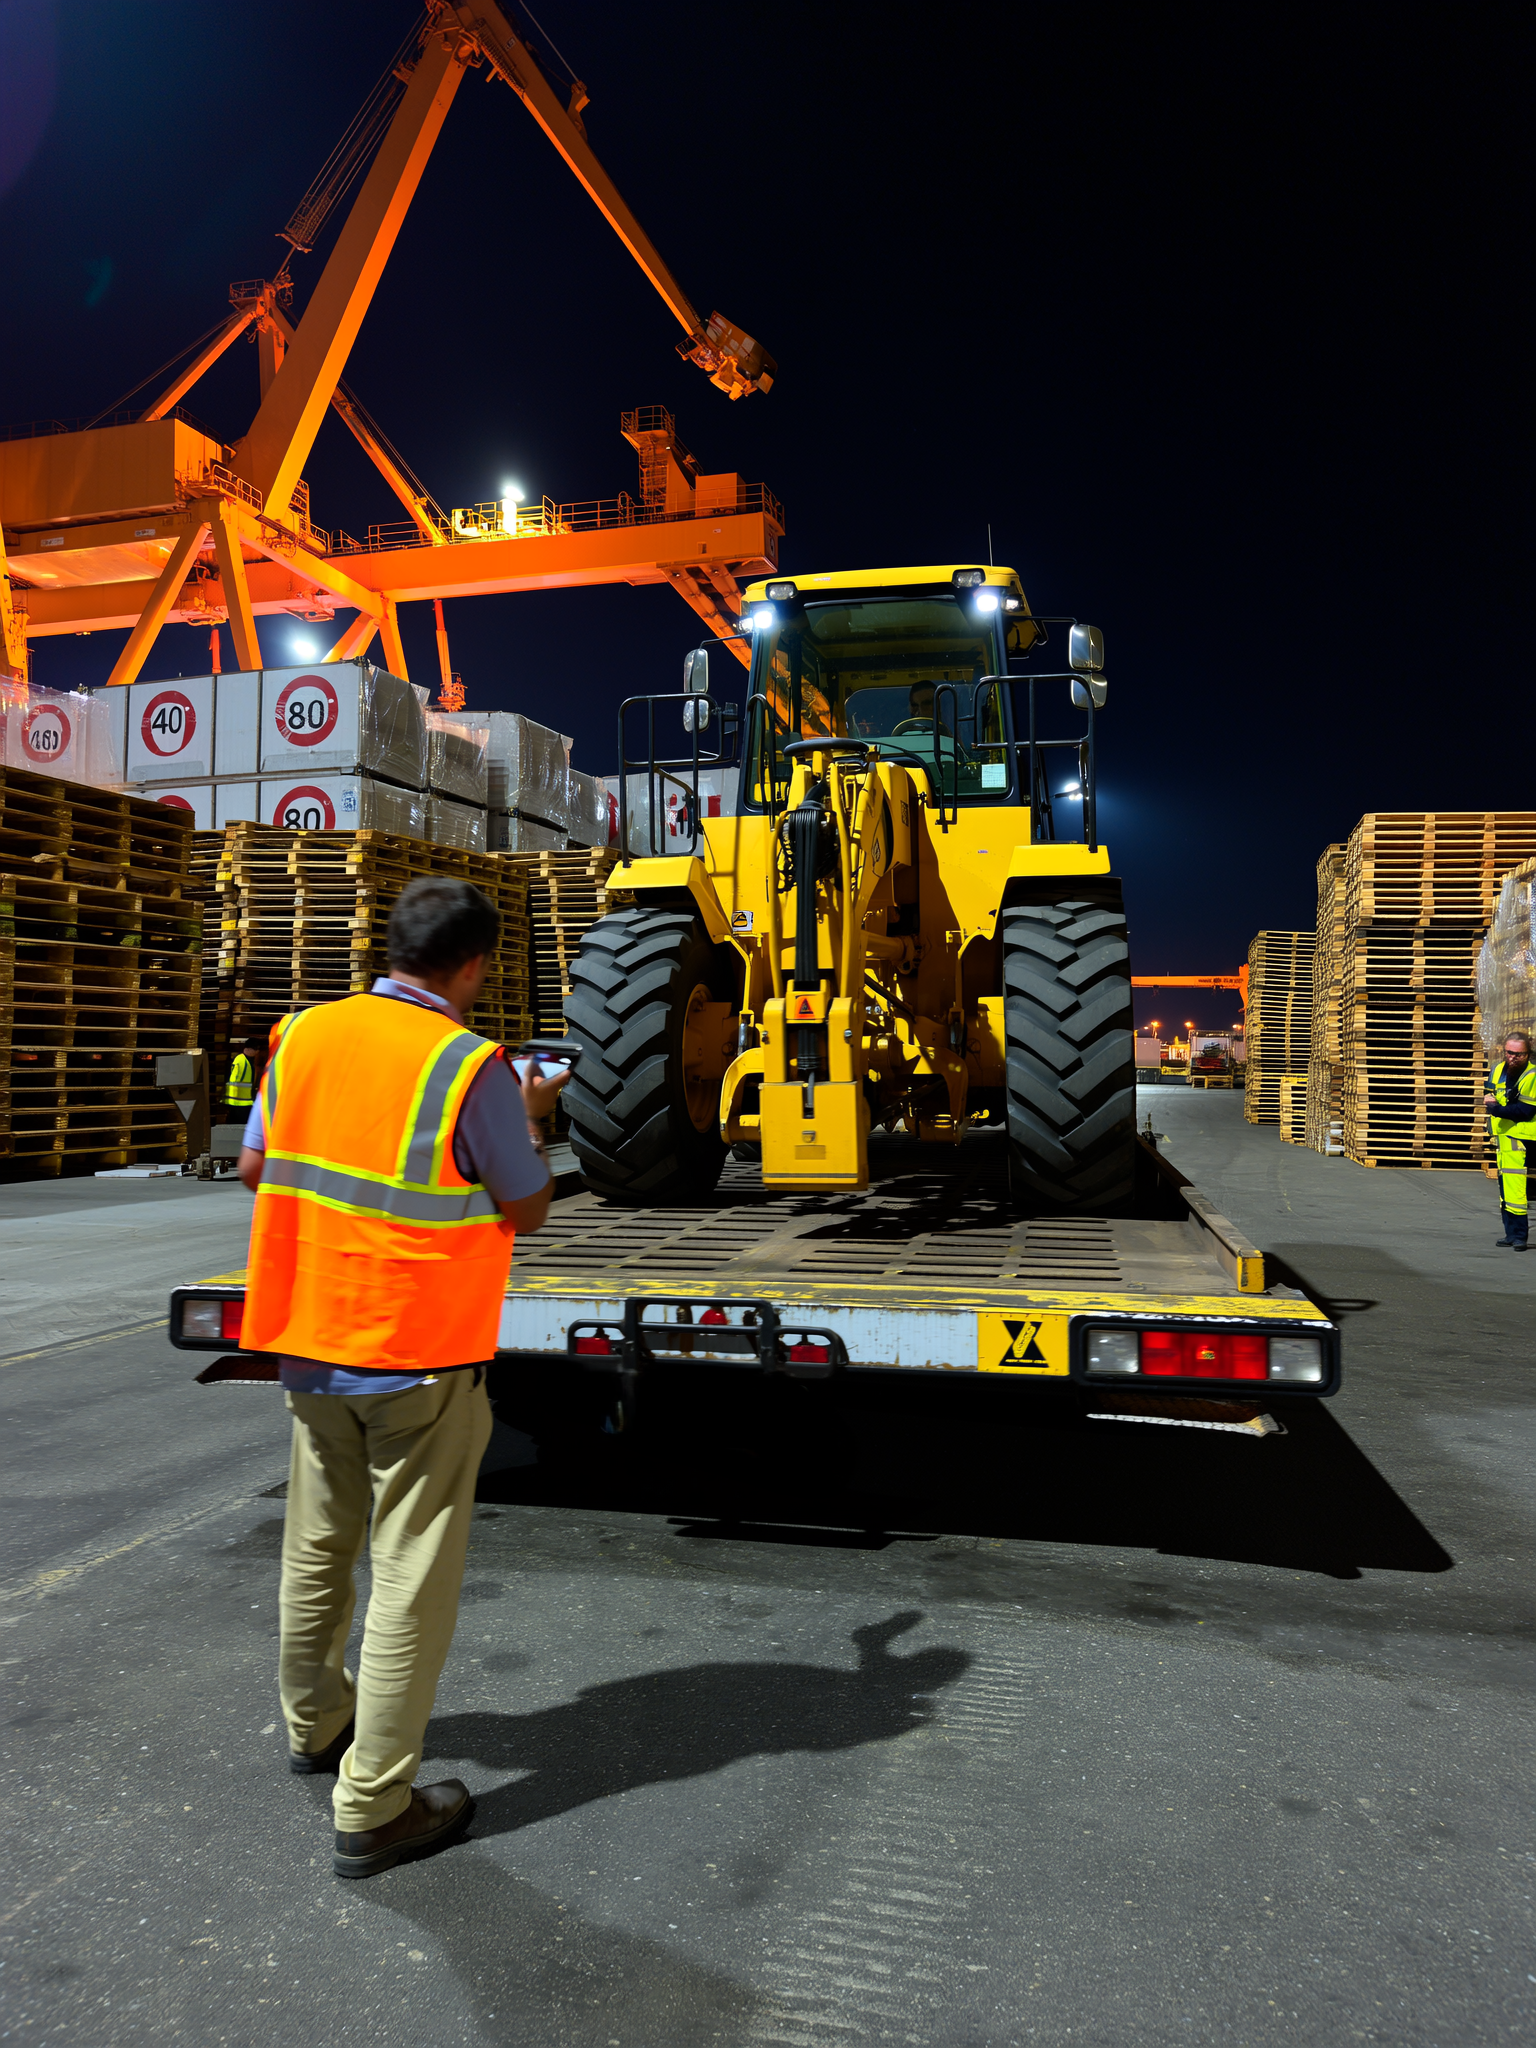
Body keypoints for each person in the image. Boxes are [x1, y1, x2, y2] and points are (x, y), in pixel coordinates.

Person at [236, 877, 569, 1877]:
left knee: (316, 1544)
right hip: (417, 1351)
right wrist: (534, 1114)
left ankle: (315, 1727)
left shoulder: (303, 1035)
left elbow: (258, 1168)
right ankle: (376, 1802)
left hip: (308, 1333)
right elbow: (528, 1204)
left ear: (392, 948)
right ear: (472, 965)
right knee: (409, 1577)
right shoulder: (470, 1067)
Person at [1485, 1031, 1536, 1249]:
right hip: (1503, 1138)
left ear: (1528, 1054)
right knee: (1505, 1188)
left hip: (1521, 1138)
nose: (1512, 1057)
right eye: (1509, 1052)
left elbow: (1526, 1110)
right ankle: (1510, 1233)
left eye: (1518, 1054)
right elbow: (1489, 1091)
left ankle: (1519, 1237)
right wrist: (1488, 1099)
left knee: (1515, 1189)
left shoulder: (1532, 1075)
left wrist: (1497, 1110)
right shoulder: (1498, 1069)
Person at [225, 1037, 260, 1122]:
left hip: (243, 1101)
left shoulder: (245, 1060)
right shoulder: (241, 1061)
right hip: (239, 1102)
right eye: (256, 1050)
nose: (257, 1052)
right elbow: (234, 1080)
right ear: (251, 1049)